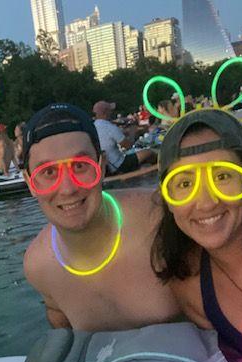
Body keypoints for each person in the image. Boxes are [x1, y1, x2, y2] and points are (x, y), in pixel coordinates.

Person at [22, 103, 181, 331]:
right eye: (48, 172)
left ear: (102, 166)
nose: (67, 188)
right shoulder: (38, 265)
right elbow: (62, 330)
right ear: (29, 182)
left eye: (80, 166)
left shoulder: (162, 219)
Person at [150, 109, 242, 362]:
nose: (207, 201)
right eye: (184, 184)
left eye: (223, 176)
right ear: (167, 197)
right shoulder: (191, 286)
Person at [92, 100, 156, 176]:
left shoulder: (92, 127)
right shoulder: (110, 128)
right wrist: (132, 134)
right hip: (119, 165)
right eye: (110, 110)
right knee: (149, 152)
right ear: (106, 112)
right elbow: (128, 146)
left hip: (105, 166)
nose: (112, 112)